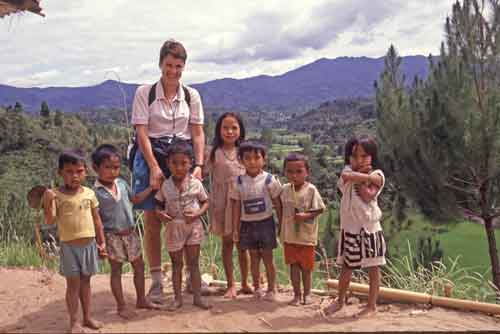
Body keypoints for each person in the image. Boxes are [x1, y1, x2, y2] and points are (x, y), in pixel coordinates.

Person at [131, 39, 205, 303]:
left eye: (178, 66)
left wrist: (198, 165)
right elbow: (141, 131)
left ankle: (190, 278)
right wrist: (152, 167)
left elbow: (197, 132)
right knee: (153, 220)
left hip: (181, 158)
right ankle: (157, 280)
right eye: (169, 65)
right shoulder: (145, 93)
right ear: (160, 64)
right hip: (153, 153)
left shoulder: (191, 96)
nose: (173, 71)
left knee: (186, 217)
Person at [91, 144, 159, 319]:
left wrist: (151, 189)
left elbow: (135, 200)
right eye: (107, 167)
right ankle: (121, 305)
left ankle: (141, 299)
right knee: (116, 270)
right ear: (95, 168)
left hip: (131, 233)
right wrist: (100, 242)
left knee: (139, 265)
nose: (113, 171)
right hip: (112, 236)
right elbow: (95, 219)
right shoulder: (95, 193)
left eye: (116, 167)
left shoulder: (121, 183)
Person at [42, 149, 106, 333]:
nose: (75, 176)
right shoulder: (55, 195)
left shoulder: (89, 193)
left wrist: (102, 243)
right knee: (73, 286)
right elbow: (50, 220)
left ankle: (87, 317)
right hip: (69, 247)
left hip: (89, 245)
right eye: (69, 172)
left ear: (85, 171)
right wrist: (47, 201)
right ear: (60, 173)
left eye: (79, 171)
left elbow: (97, 220)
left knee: (86, 283)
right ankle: (74, 322)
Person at [323, 135, 386, 317]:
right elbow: (345, 177)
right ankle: (340, 301)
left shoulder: (378, 174)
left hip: (370, 230)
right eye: (354, 156)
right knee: (346, 267)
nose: (359, 160)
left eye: (364, 156)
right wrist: (359, 177)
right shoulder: (347, 171)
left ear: (372, 157)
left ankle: (371, 306)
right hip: (350, 229)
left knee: (373, 268)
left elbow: (368, 195)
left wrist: (357, 177)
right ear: (348, 157)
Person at [154, 141, 211, 311]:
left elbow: (206, 201)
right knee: (176, 264)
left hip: (193, 226)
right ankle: (177, 299)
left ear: (191, 163)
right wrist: (160, 213)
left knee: (193, 263)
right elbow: (158, 203)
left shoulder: (196, 183)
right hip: (174, 227)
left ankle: (197, 298)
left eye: (183, 163)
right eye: (174, 163)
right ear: (168, 164)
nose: (179, 167)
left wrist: (198, 214)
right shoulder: (165, 185)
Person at [205, 112, 252, 299]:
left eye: (234, 128)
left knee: (243, 245)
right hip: (222, 204)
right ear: (219, 130)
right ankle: (231, 284)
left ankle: (246, 282)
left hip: (242, 203)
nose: (230, 131)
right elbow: (201, 172)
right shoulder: (213, 153)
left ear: (240, 130)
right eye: (225, 127)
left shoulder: (246, 152)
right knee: (227, 243)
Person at [230, 140, 282, 301]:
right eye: (247, 158)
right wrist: (235, 228)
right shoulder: (238, 182)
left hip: (266, 223)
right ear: (241, 160)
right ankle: (257, 287)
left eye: (256, 158)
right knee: (253, 257)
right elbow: (236, 206)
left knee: (268, 257)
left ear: (264, 159)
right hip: (247, 225)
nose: (252, 162)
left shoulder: (269, 180)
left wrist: (281, 223)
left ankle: (272, 288)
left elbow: (277, 203)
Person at [280, 152, 325, 306]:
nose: (294, 175)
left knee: (306, 268)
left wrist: (305, 216)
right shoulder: (284, 189)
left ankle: (308, 294)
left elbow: (319, 209)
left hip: (306, 237)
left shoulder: (311, 190)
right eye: (290, 172)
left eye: (299, 171)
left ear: (307, 172)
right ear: (285, 172)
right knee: (293, 265)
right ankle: (296, 295)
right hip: (290, 236)